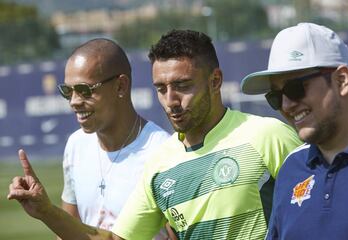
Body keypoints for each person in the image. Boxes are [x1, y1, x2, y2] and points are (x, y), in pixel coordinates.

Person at [8, 30, 302, 239]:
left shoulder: (268, 136)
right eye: (161, 89)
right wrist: (46, 211)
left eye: (183, 85)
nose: (171, 100)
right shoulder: (161, 164)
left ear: (215, 81)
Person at [11, 38, 171, 238]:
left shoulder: (163, 153)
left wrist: (47, 211)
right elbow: (67, 230)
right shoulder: (76, 144)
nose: (74, 101)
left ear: (121, 86)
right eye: (67, 91)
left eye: (85, 90)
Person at [240, 22, 348, 239]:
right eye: (275, 97)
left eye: (295, 88)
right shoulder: (291, 168)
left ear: (342, 80)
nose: (286, 105)